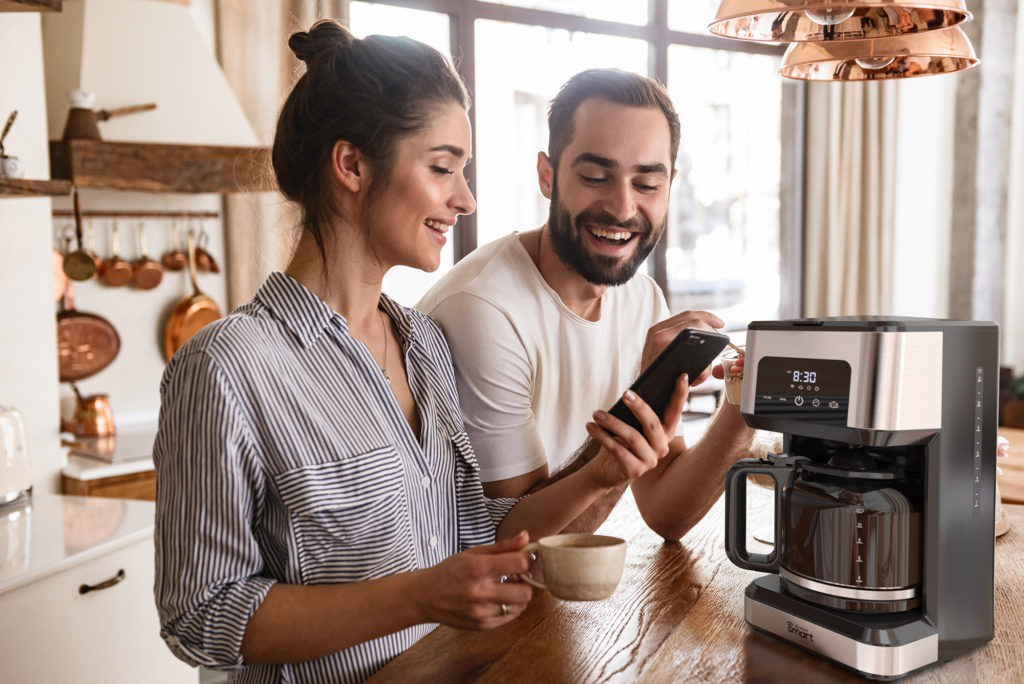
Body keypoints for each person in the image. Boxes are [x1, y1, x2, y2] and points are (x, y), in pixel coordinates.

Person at [152, 21, 688, 683]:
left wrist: (600, 475)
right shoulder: (225, 367)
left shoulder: (424, 345)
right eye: (442, 169)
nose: (465, 200)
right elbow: (200, 617)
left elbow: (481, 529)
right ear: (351, 165)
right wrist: (418, 595)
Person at [417, 69, 755, 540]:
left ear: (670, 185)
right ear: (547, 175)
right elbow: (517, 548)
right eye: (596, 177)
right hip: (476, 605)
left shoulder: (640, 297)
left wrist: (745, 405)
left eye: (647, 184)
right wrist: (647, 400)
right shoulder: (483, 310)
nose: (621, 208)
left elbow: (666, 513)